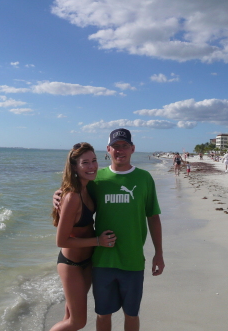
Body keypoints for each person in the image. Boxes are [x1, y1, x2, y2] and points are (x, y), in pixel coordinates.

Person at [54, 129, 164, 331]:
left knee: (132, 315)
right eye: (116, 146)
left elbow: (153, 217)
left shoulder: (144, 178)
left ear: (132, 148)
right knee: (102, 315)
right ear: (108, 149)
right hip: (101, 260)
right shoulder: (97, 178)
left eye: (124, 146)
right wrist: (57, 195)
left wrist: (159, 253)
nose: (120, 150)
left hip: (132, 260)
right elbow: (74, 192)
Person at [50, 143, 117, 331]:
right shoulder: (72, 196)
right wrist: (98, 241)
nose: (92, 166)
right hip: (71, 265)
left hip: (87, 262)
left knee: (69, 316)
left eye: (94, 161)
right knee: (77, 322)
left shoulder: (89, 187)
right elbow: (61, 241)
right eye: (85, 162)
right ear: (74, 167)